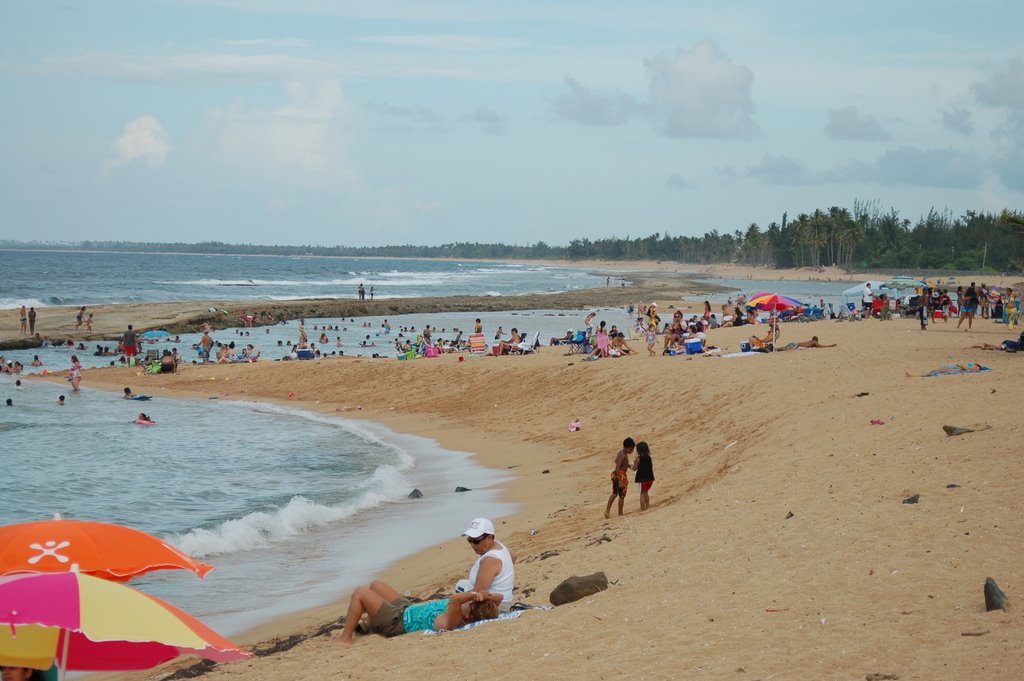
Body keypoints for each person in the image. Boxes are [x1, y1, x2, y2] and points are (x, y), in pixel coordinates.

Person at [337, 580, 500, 644]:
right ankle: (371, 624)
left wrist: (476, 594)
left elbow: (456, 598)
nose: (469, 602)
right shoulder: (463, 612)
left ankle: (345, 639)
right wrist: (486, 596)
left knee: (360, 593)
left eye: (471, 604)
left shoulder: (454, 619)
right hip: (406, 609)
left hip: (397, 622)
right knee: (376, 585)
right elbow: (499, 598)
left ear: (470, 615)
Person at [460, 517, 517, 612]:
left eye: (476, 541)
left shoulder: (490, 559)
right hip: (503, 600)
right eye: (470, 540)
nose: (472, 545)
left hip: (493, 607)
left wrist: (453, 600)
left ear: (489, 538)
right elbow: (513, 556)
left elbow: (477, 592)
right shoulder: (498, 545)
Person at [604, 437, 636, 519]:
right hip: (620, 475)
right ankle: (620, 513)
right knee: (622, 495)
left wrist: (628, 466)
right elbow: (618, 467)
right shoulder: (624, 456)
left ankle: (607, 510)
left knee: (614, 493)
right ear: (628, 448)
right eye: (631, 449)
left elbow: (618, 462)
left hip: (616, 474)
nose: (632, 451)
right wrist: (620, 481)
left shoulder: (620, 453)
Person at [632, 441, 654, 511]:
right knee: (646, 493)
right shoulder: (649, 457)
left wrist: (630, 465)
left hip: (643, 480)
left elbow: (634, 469)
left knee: (642, 494)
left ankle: (643, 509)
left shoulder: (638, 459)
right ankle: (647, 507)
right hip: (650, 479)